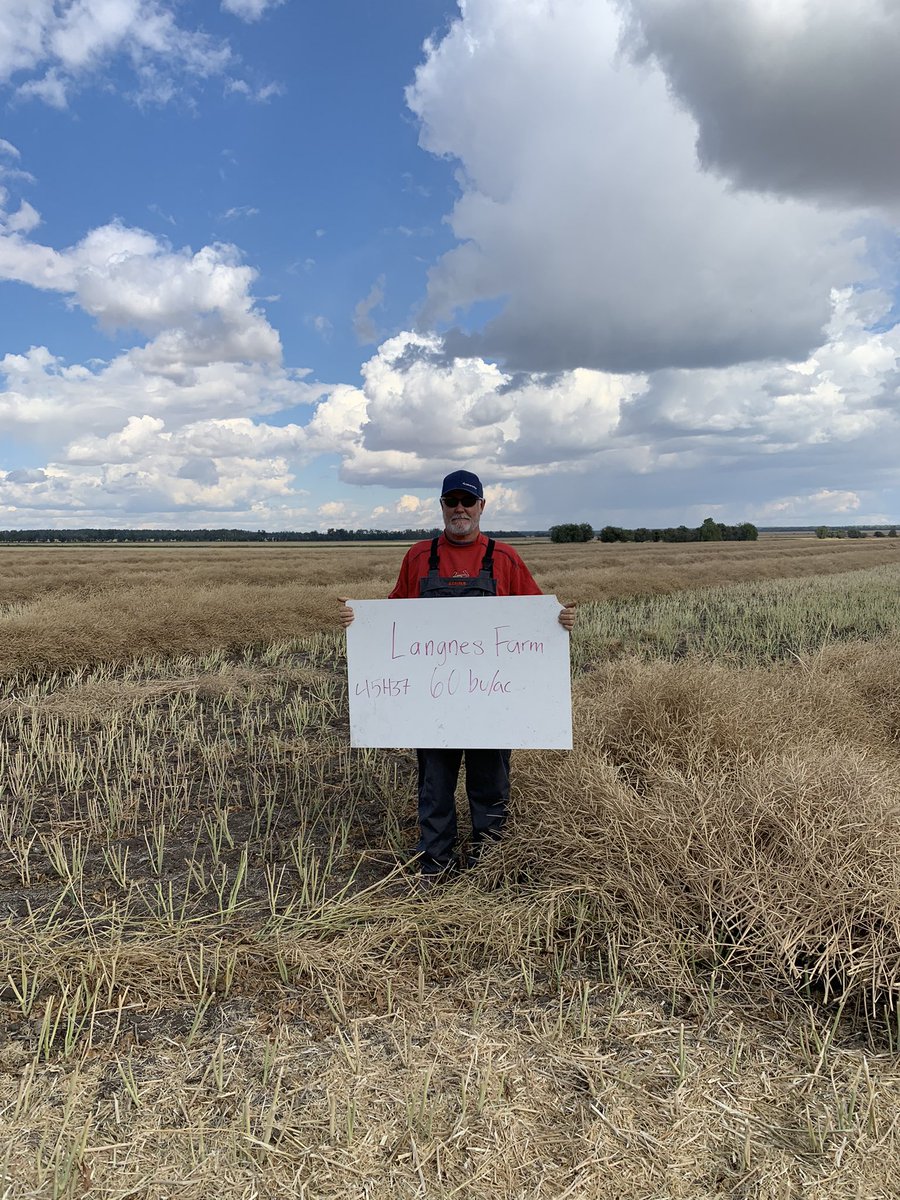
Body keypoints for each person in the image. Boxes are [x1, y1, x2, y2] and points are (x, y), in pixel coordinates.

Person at [339, 469, 576, 877]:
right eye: (452, 501)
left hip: (491, 699)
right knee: (434, 786)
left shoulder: (503, 557)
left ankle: (491, 862)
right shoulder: (418, 556)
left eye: (468, 501)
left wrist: (560, 620)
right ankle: (436, 862)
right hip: (433, 702)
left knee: (491, 787)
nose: (460, 509)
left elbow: (534, 615)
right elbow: (395, 616)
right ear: (442, 507)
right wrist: (359, 620)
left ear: (482, 506)